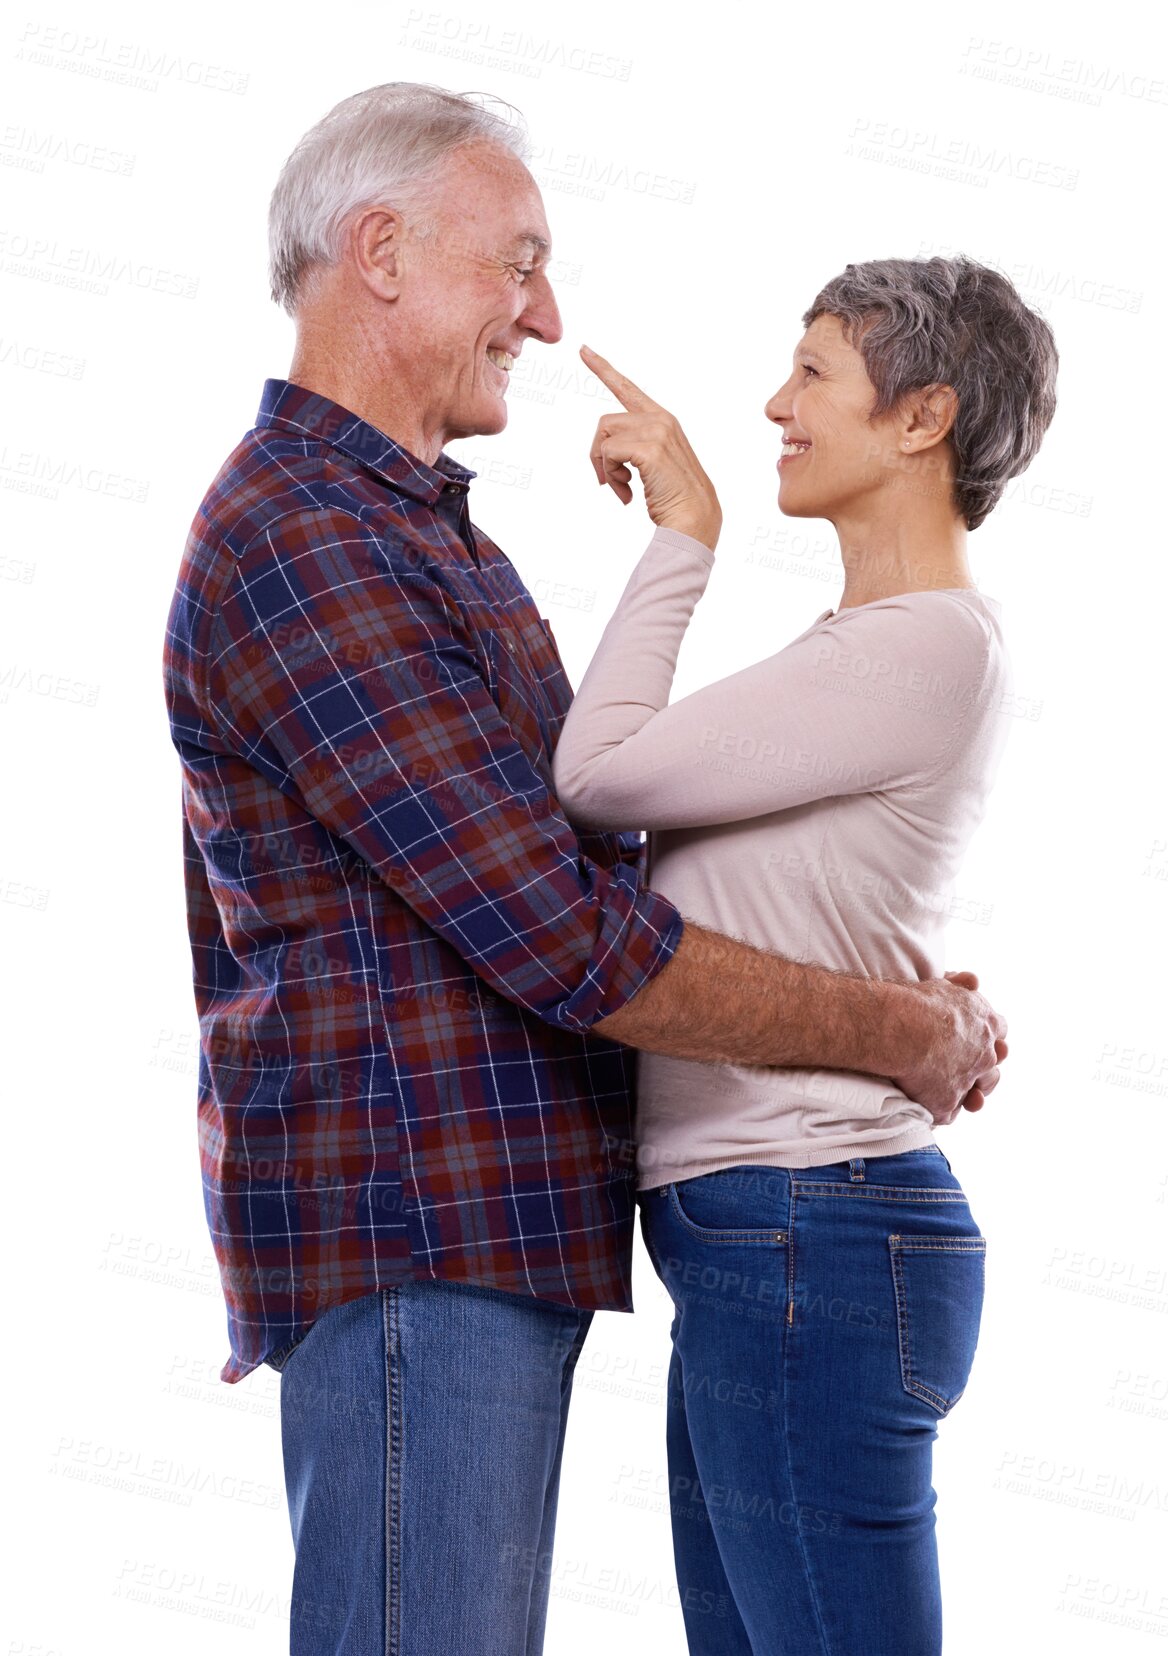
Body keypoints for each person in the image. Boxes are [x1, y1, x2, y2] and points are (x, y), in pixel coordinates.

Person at [161, 79, 1008, 1655]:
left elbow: (591, 868)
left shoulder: (417, 536)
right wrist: (896, 1030)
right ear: (383, 253)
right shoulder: (309, 541)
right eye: (520, 264)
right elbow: (569, 934)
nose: (547, 320)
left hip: (498, 1238)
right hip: (420, 1233)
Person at [550, 255, 1058, 1653]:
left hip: (811, 1230)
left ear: (923, 418)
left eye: (814, 371)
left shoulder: (921, 645)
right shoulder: (874, 651)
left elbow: (595, 774)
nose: (778, 403)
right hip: (781, 1236)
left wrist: (686, 535)